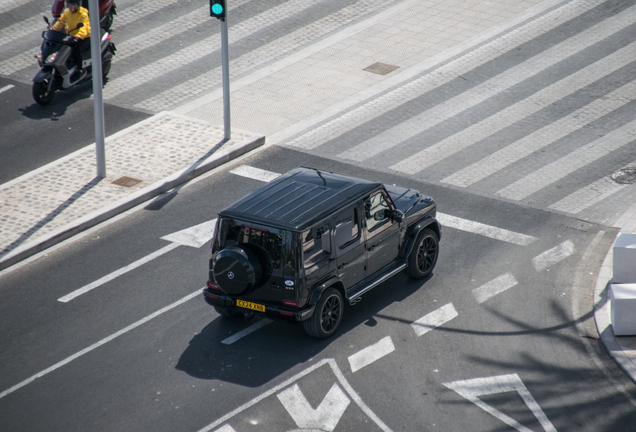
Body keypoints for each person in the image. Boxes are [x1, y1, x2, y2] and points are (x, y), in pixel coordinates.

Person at [52, 0, 91, 78]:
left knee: (75, 50)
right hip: (70, 36)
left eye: (71, 5)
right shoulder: (67, 12)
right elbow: (61, 22)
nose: (69, 7)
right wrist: (53, 29)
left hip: (83, 37)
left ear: (76, 6)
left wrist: (78, 36)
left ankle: (79, 69)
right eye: (68, 5)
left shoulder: (83, 14)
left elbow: (84, 27)